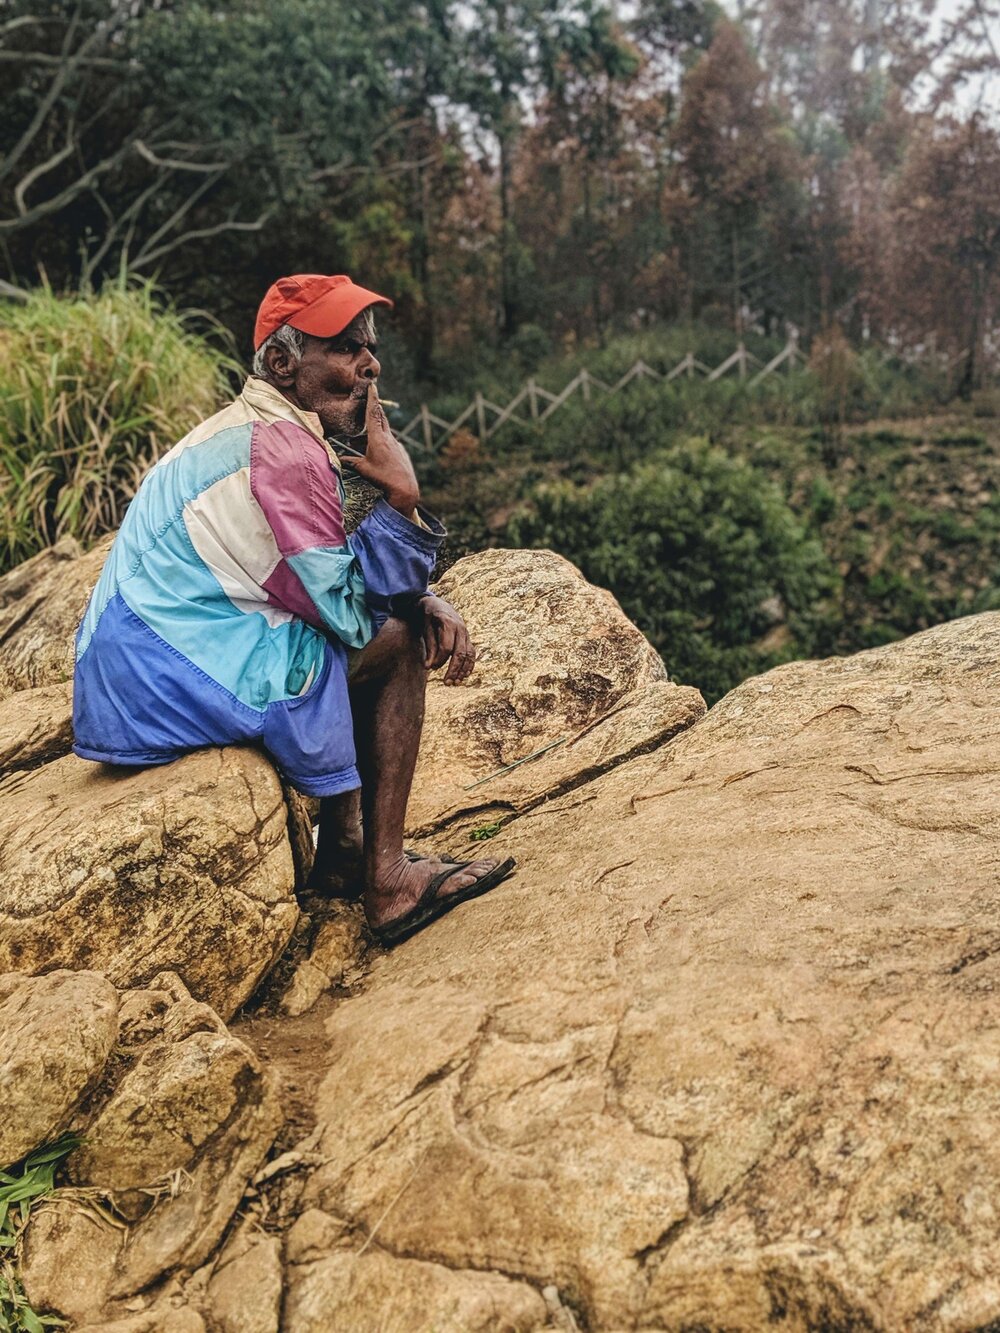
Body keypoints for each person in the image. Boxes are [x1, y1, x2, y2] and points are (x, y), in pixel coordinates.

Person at [72, 272, 514, 946]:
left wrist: (417, 589)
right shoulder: (288, 451)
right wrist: (401, 496)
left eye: (367, 346)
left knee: (348, 627)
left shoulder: (248, 429)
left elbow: (311, 575)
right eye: (344, 348)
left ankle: (342, 846)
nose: (370, 365)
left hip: (124, 672)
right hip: (156, 675)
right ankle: (388, 877)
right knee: (391, 643)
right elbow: (343, 613)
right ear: (283, 363)